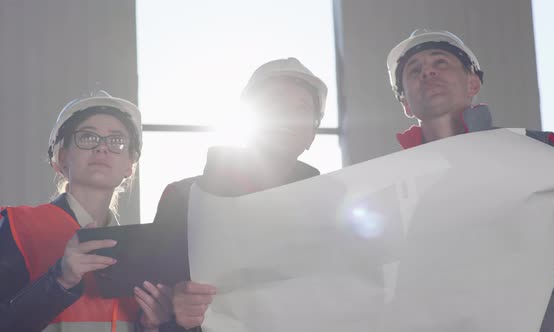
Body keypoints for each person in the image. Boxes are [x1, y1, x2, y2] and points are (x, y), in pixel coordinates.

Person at [386, 29, 554, 331]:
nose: (427, 71)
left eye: (440, 62)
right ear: (405, 104)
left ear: (473, 83)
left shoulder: (534, 151)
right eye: (414, 70)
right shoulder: (390, 185)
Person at [152, 57, 328, 330]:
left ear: (313, 133)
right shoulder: (184, 198)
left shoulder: (329, 208)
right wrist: (174, 318)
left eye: (302, 108)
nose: (288, 115)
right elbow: (151, 317)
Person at [0, 92, 173, 331]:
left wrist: (154, 326)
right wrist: (60, 280)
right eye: (88, 137)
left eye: (116, 141)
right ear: (61, 158)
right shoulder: (15, 226)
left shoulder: (140, 253)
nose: (102, 148)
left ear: (129, 166)